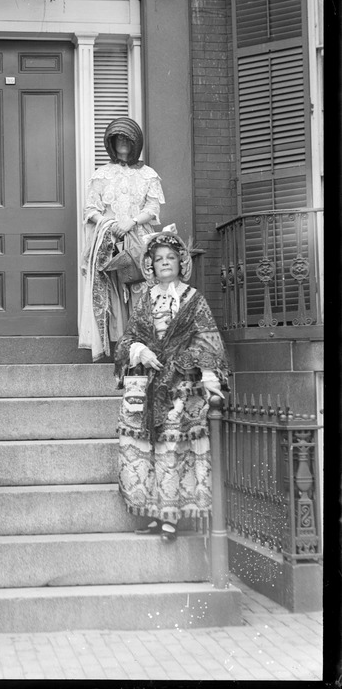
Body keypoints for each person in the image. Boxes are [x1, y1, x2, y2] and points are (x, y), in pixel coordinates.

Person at [113, 230, 230, 543]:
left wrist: (204, 375)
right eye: (159, 259)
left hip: (180, 387)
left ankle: (170, 517)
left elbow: (207, 341)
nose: (165, 263)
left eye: (171, 258)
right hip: (147, 386)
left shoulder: (194, 300)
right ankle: (153, 512)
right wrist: (141, 351)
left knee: (171, 447)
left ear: (181, 263)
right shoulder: (145, 300)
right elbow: (127, 340)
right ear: (151, 265)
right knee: (145, 448)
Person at [78, 117, 165, 362]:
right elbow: (90, 210)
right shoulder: (101, 175)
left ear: (136, 142)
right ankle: (123, 348)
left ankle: (143, 345)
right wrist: (110, 223)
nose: (123, 143)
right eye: (118, 138)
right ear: (111, 142)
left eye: (128, 138)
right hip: (111, 242)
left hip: (139, 240)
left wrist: (132, 221)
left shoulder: (149, 175)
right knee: (115, 292)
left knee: (140, 288)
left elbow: (153, 207)